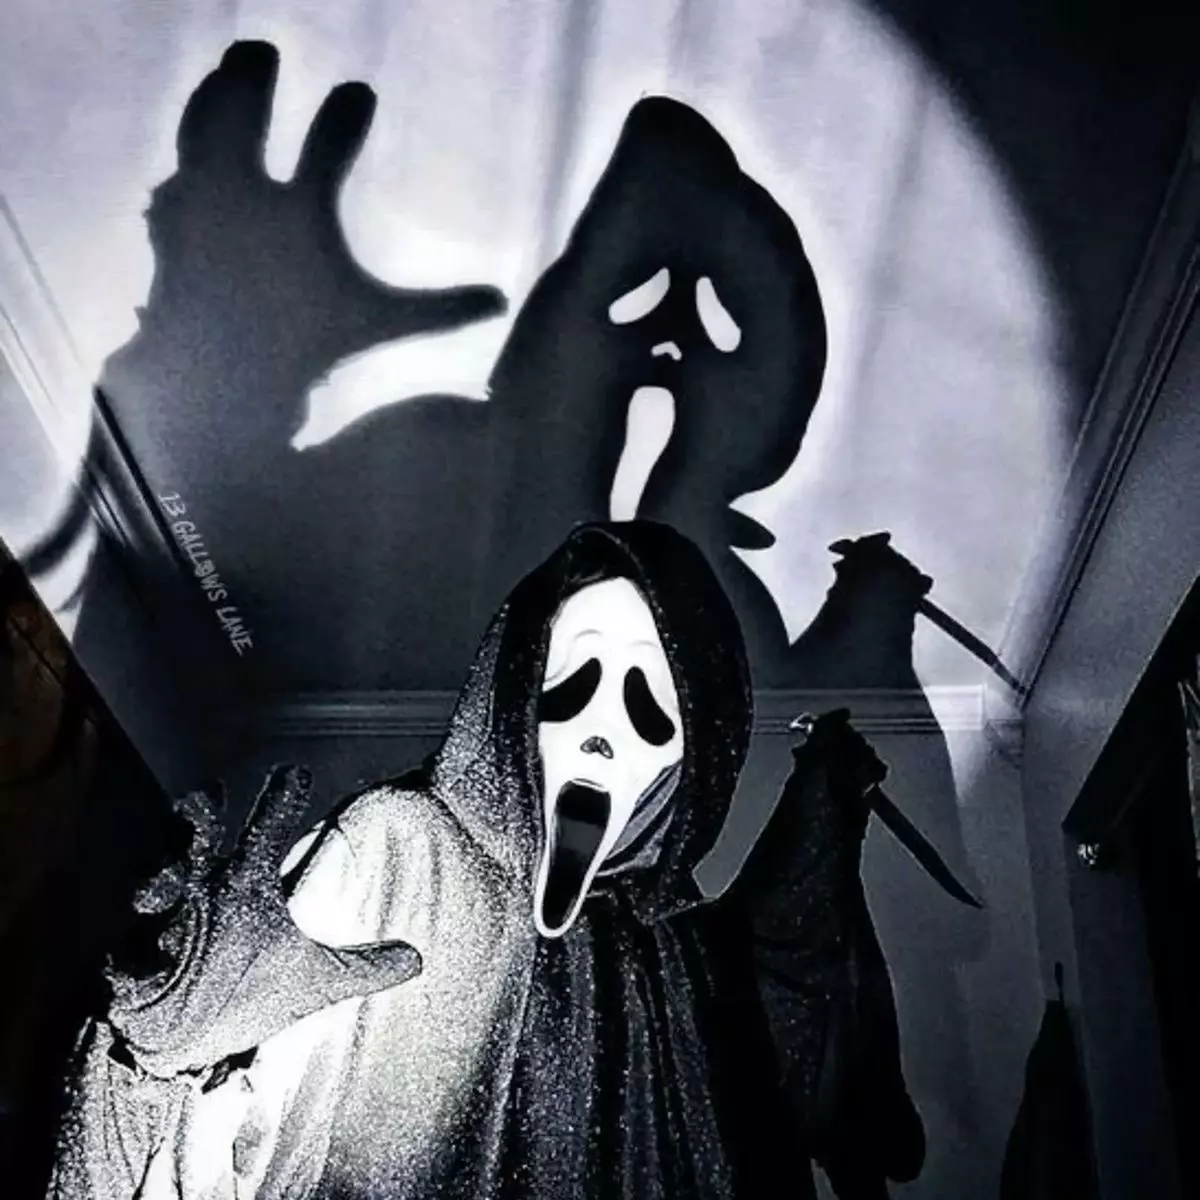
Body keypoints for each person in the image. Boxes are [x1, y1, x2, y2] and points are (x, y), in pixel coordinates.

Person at [49, 520, 922, 1198]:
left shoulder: (683, 963)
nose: (601, 732)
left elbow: (788, 968)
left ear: (693, 756)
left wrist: (826, 800)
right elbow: (187, 1166)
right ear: (518, 689)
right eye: (572, 681)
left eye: (651, 702)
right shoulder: (398, 854)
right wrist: (159, 1063)